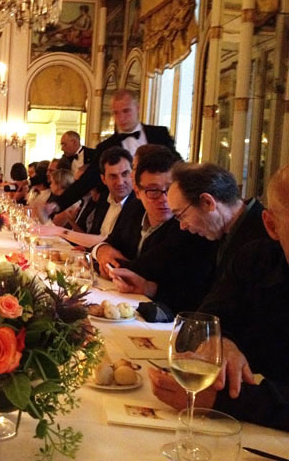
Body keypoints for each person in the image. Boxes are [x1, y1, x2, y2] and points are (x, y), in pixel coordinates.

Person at [151, 166, 289, 432]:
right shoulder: (255, 260)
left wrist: (220, 400)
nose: (182, 226)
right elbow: (198, 325)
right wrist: (221, 341)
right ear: (272, 226)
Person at [95, 147, 214, 313]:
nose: (164, 199)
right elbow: (111, 243)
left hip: (167, 314)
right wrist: (101, 250)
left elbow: (137, 269)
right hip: (125, 302)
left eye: (170, 189)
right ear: (137, 192)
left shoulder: (187, 226)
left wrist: (106, 260)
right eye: (153, 191)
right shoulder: (133, 209)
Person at [55, 90, 176, 211]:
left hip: (161, 203)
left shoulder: (159, 134)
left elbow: (177, 166)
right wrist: (57, 204)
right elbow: (86, 181)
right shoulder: (106, 147)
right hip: (122, 209)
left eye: (126, 111)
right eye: (116, 113)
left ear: (137, 108)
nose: (121, 118)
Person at [167, 162, 267, 283]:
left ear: (207, 202)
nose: (182, 226)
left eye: (181, 215)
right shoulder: (222, 232)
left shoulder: (261, 243)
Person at [36, 147, 137, 249]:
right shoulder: (104, 200)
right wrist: (87, 249)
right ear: (103, 179)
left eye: (125, 174)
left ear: (133, 174)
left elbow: (112, 243)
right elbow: (95, 235)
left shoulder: (137, 205)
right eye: (113, 176)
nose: (120, 182)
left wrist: (61, 232)